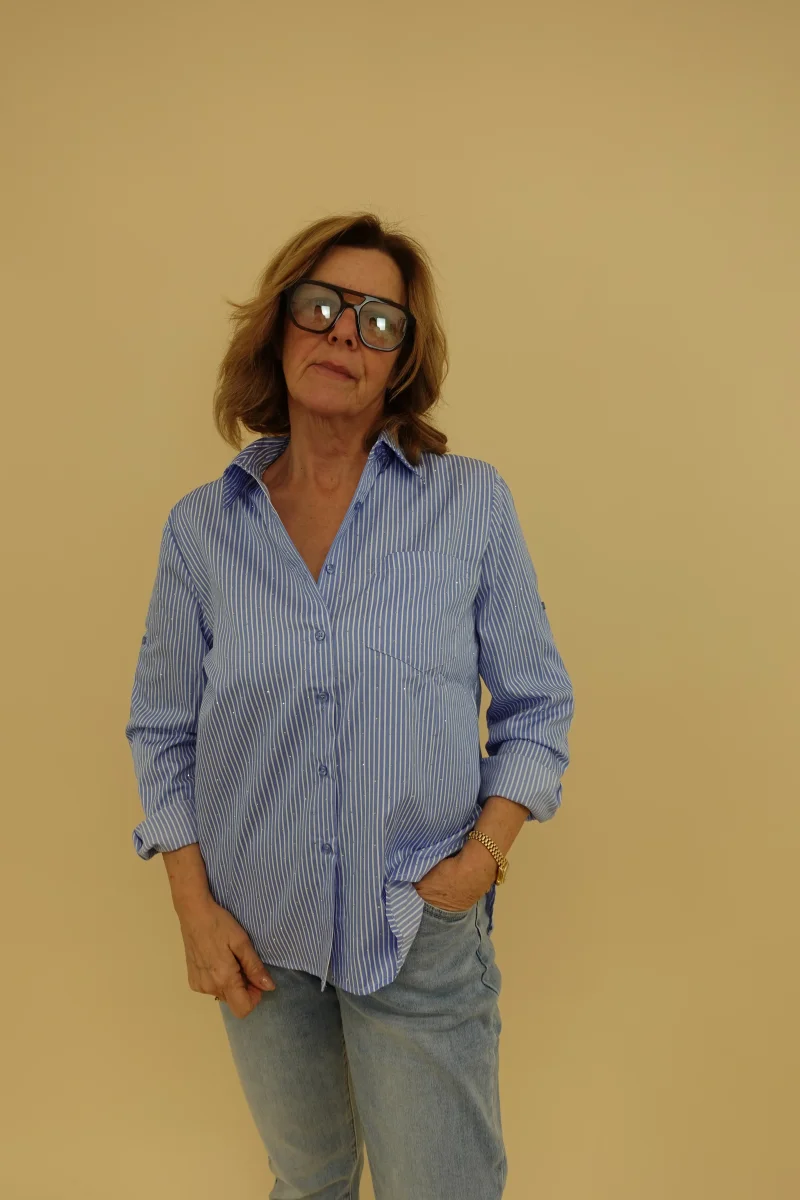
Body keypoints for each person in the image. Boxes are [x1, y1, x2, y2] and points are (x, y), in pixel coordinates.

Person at [125, 210, 575, 1199]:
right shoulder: (202, 531)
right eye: (321, 304)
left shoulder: (470, 504)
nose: (343, 333)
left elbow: (538, 706)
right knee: (309, 1182)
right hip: (257, 938)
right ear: (278, 324)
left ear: (402, 359)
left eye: (379, 321)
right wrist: (194, 908)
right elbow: (162, 729)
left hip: (416, 923)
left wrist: (479, 862)